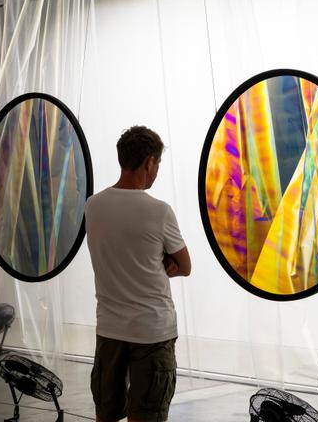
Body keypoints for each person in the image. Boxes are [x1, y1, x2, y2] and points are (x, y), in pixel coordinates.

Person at [85, 126, 191, 422]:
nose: (156, 171)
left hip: (109, 330)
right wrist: (162, 260)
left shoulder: (93, 207)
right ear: (149, 163)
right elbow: (185, 266)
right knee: (148, 415)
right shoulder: (159, 211)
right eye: (157, 164)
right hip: (152, 332)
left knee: (106, 414)